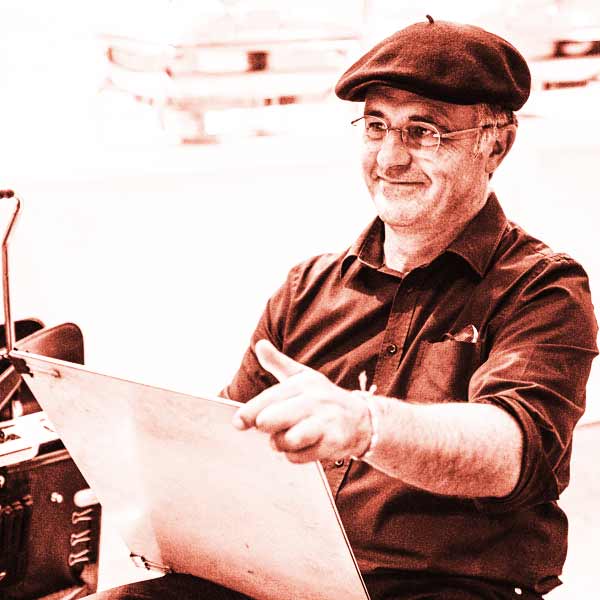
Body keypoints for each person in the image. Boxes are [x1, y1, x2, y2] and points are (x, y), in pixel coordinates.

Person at [88, 16, 598, 600]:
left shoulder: (542, 288)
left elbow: (514, 451)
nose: (391, 158)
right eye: (376, 126)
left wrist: (367, 424)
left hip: (439, 587)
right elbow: (229, 449)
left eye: (424, 131)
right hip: (282, 579)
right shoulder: (306, 288)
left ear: (495, 145)